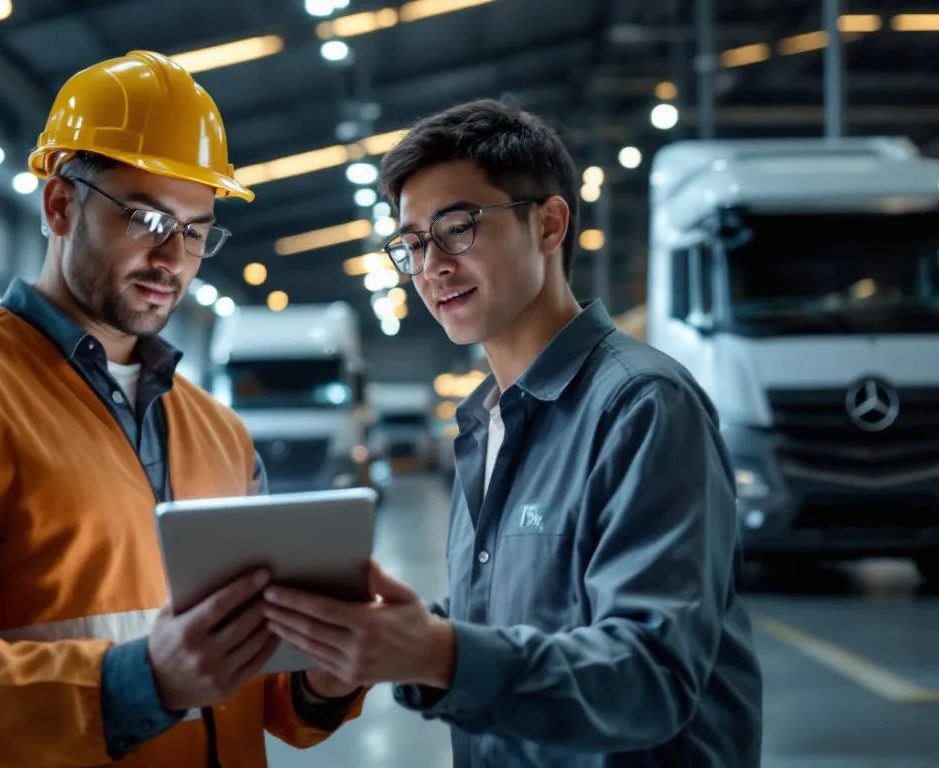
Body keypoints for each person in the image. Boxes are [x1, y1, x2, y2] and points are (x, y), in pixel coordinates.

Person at [0, 50, 364, 768]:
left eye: (197, 231)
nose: (172, 257)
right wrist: (142, 683)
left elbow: (264, 695)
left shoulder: (220, 432)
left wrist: (325, 675)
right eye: (146, 217)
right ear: (59, 203)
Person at [262, 98, 765, 766]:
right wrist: (383, 640)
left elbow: (652, 678)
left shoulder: (643, 407)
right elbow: (518, 626)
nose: (431, 267)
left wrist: (440, 653)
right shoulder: (483, 421)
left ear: (550, 224)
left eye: (458, 228)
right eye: (412, 245)